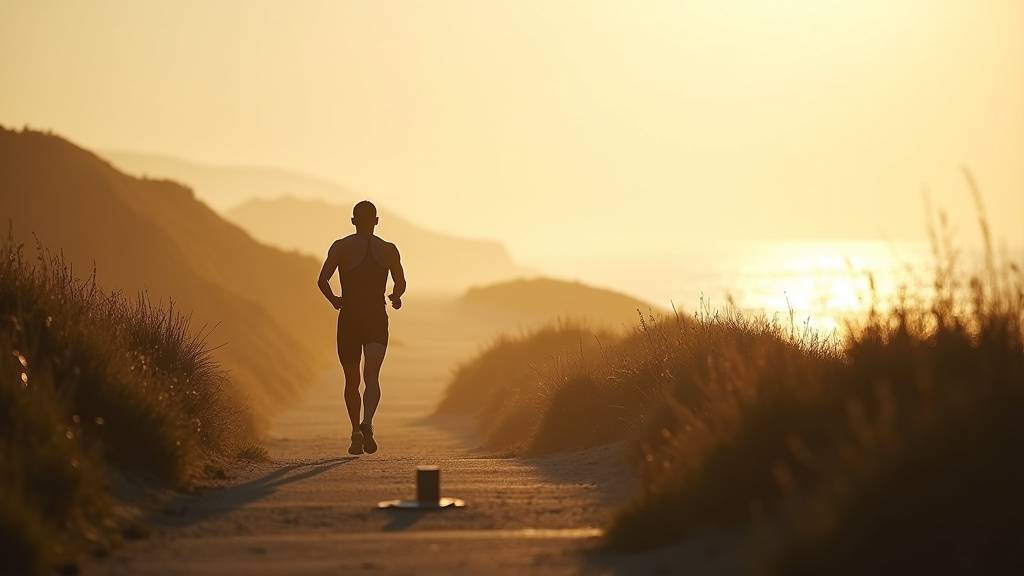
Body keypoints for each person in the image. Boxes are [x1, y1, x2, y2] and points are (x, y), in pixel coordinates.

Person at [317, 200, 406, 455]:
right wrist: (395, 297)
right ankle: (368, 422)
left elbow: (322, 280)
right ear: (376, 221)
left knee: (351, 380)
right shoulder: (388, 249)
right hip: (376, 317)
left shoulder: (341, 247)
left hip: (350, 319)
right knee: (372, 376)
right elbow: (400, 283)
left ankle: (356, 430)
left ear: (353, 221)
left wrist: (335, 300)